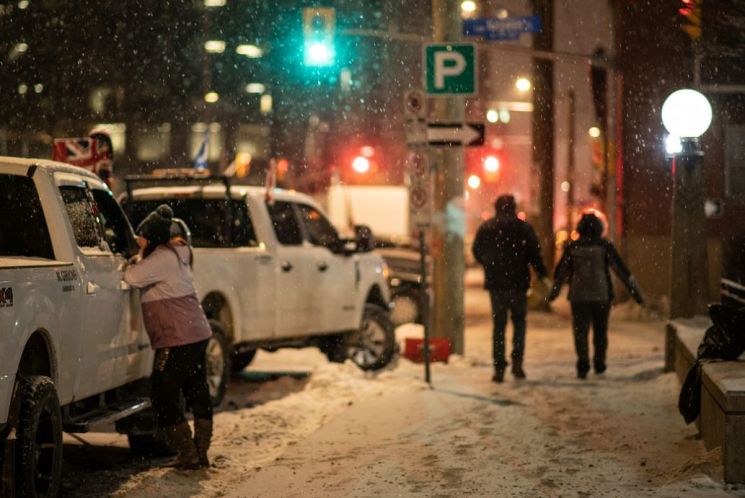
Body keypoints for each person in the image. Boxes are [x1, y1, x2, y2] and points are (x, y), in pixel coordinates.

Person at [124, 204, 213, 469]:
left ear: (151, 238)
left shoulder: (159, 259)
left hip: (178, 337)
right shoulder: (178, 252)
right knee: (197, 390)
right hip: (198, 332)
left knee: (162, 394)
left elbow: (130, 277)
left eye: (142, 237)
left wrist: (136, 257)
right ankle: (200, 452)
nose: (138, 240)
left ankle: (188, 453)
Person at [547, 211, 644, 379]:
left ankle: (583, 364)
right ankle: (599, 364)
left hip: (578, 296)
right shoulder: (605, 247)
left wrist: (553, 294)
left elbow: (560, 273)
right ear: (599, 228)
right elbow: (621, 271)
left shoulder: (572, 247)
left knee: (580, 332)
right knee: (600, 331)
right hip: (601, 295)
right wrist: (636, 294)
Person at [472, 194, 549, 383]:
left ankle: (499, 368)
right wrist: (541, 273)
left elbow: (476, 250)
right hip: (518, 284)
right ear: (513, 207)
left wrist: (489, 265)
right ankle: (517, 364)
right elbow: (534, 252)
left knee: (499, 326)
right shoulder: (523, 228)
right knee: (519, 324)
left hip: (496, 284)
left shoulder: (487, 227)